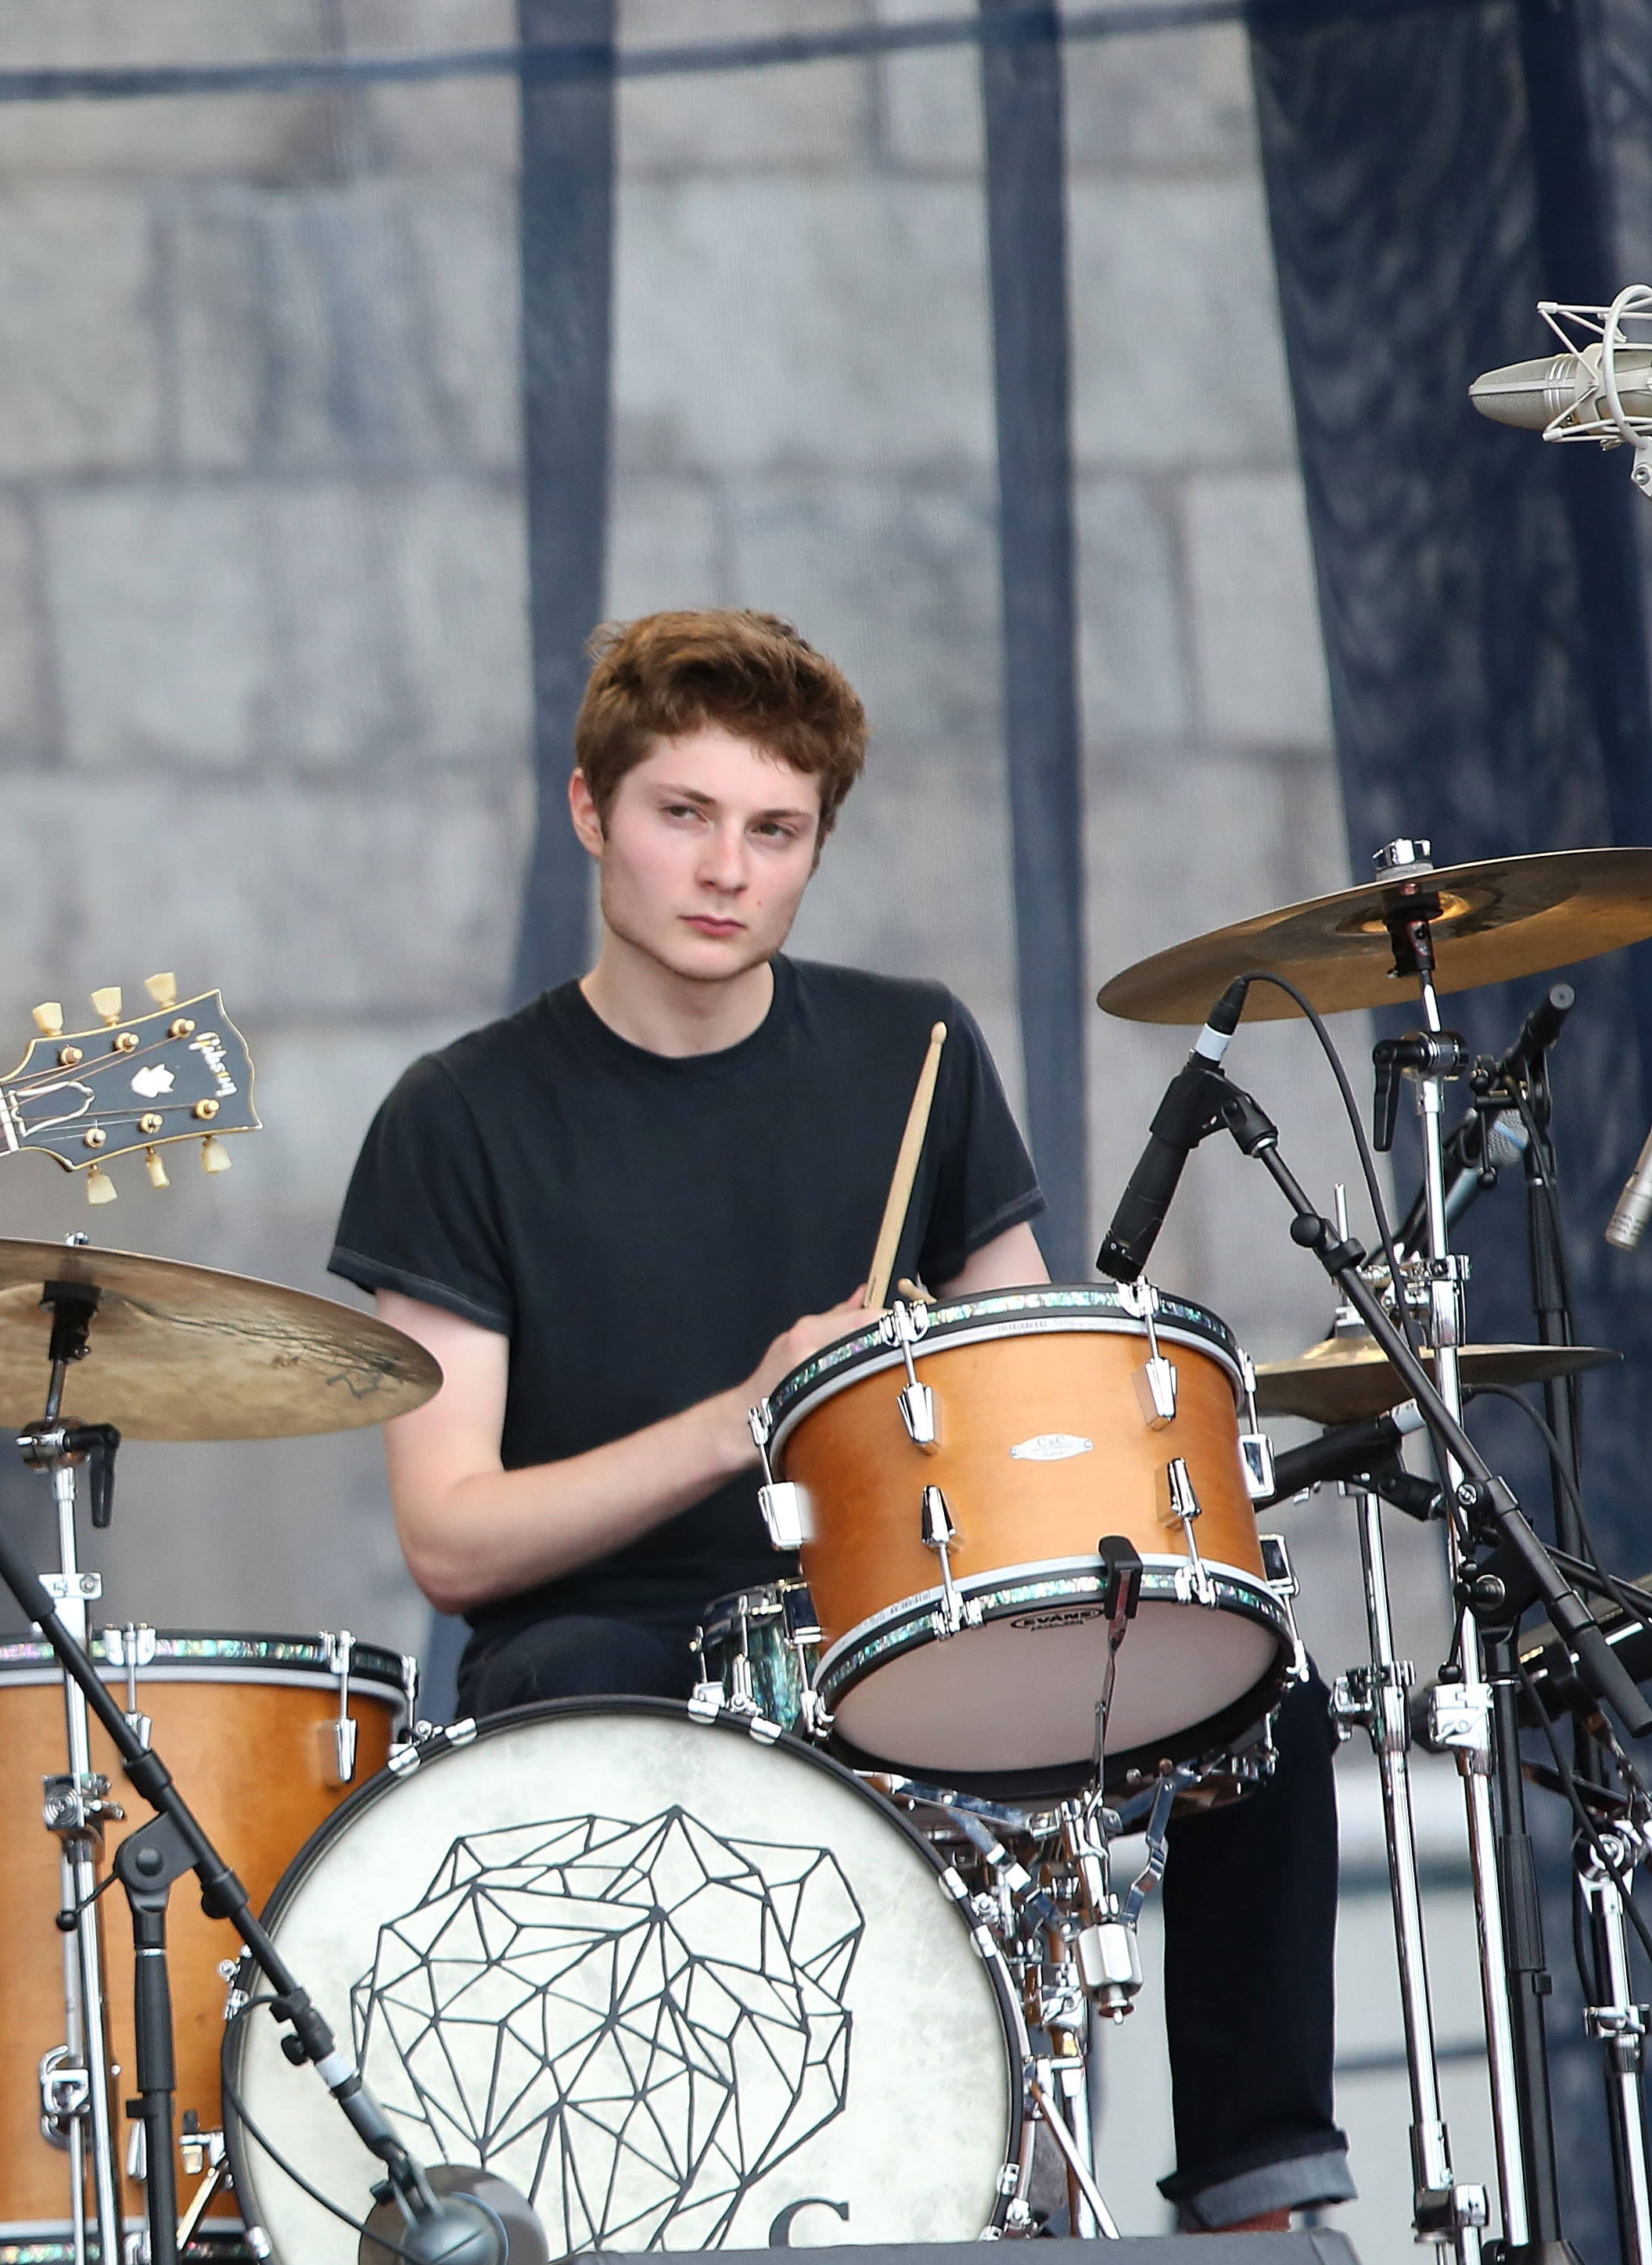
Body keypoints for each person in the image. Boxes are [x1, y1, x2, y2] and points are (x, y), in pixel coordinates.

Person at [330, 609, 1349, 2234]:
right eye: (684, 815)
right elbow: (453, 1535)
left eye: (775, 831)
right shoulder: (460, 1117)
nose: (726, 869)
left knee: (1263, 1706)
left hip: (892, 1627)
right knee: (581, 1679)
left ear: (814, 852)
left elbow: (1028, 1389)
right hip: (613, 1656)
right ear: (590, 812)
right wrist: (752, 1417)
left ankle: (1258, 2209)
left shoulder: (917, 1051)